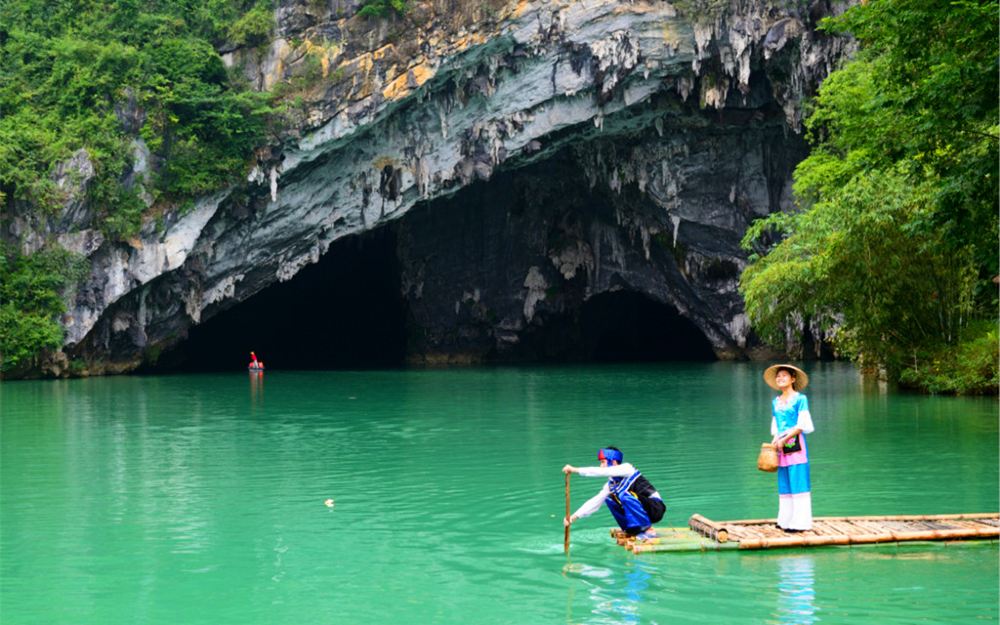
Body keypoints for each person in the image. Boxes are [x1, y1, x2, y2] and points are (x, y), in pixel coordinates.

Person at [562, 447, 665, 540]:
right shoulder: (611, 484)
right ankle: (632, 530)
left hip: (655, 508)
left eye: (603, 462)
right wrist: (572, 518)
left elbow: (600, 472)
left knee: (625, 495)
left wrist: (574, 470)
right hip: (642, 509)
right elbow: (595, 502)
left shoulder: (627, 468)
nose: (601, 466)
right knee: (609, 498)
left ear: (614, 462)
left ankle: (648, 530)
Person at [764, 364, 814, 532]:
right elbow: (775, 425)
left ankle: (801, 522)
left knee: (798, 481)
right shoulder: (775, 402)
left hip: (795, 444)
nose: (780, 378)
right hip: (780, 445)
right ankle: (785, 520)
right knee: (784, 482)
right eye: (778, 376)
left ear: (793, 379)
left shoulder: (801, 399)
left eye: (784, 375)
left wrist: (784, 439)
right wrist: (775, 440)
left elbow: (802, 425)